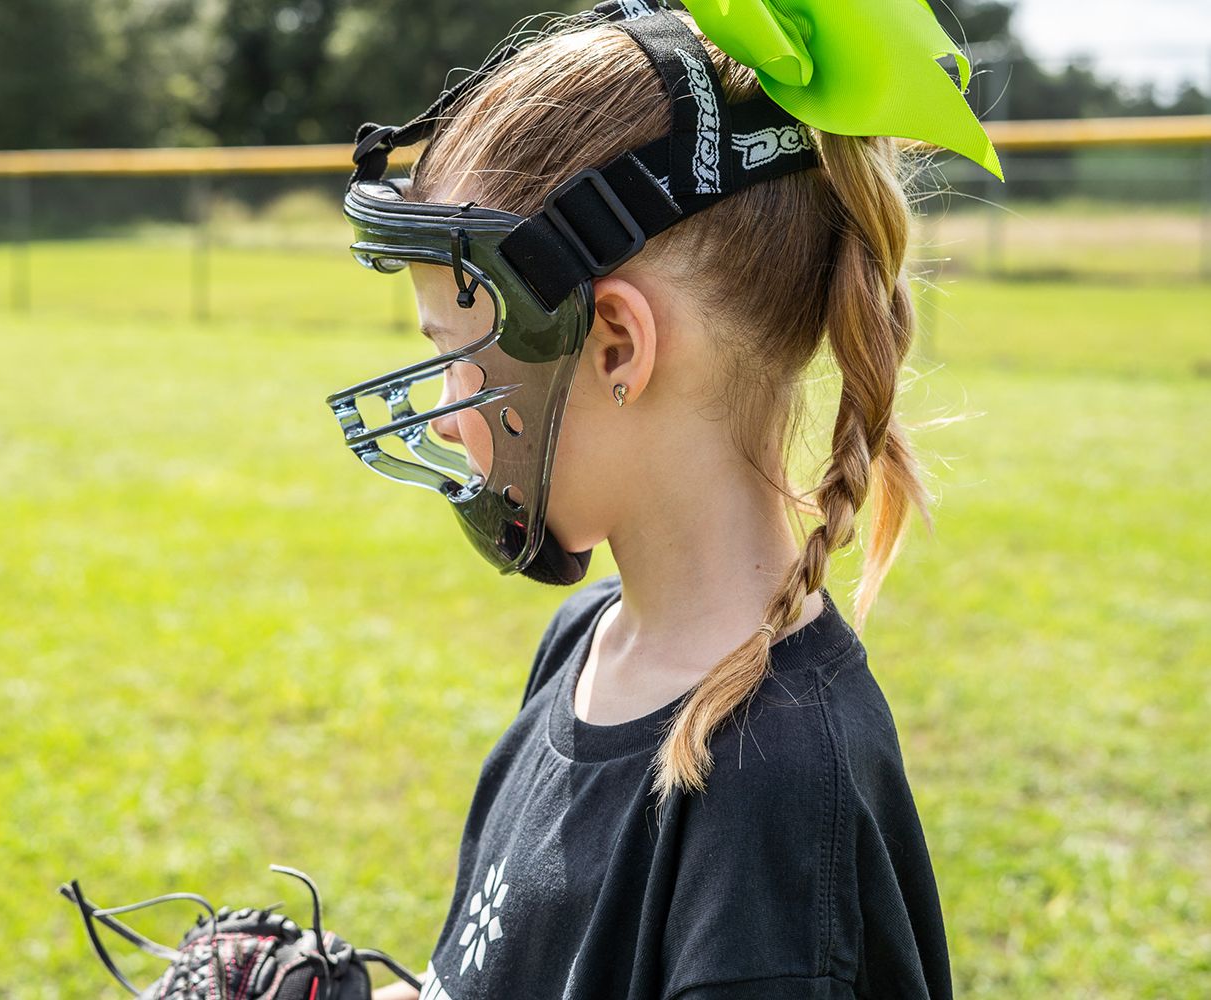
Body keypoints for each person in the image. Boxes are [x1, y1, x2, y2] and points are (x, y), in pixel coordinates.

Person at [325, 2, 1003, 999]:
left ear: (616, 346)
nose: (441, 409)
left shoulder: (774, 789)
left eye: (457, 355)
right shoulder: (582, 640)